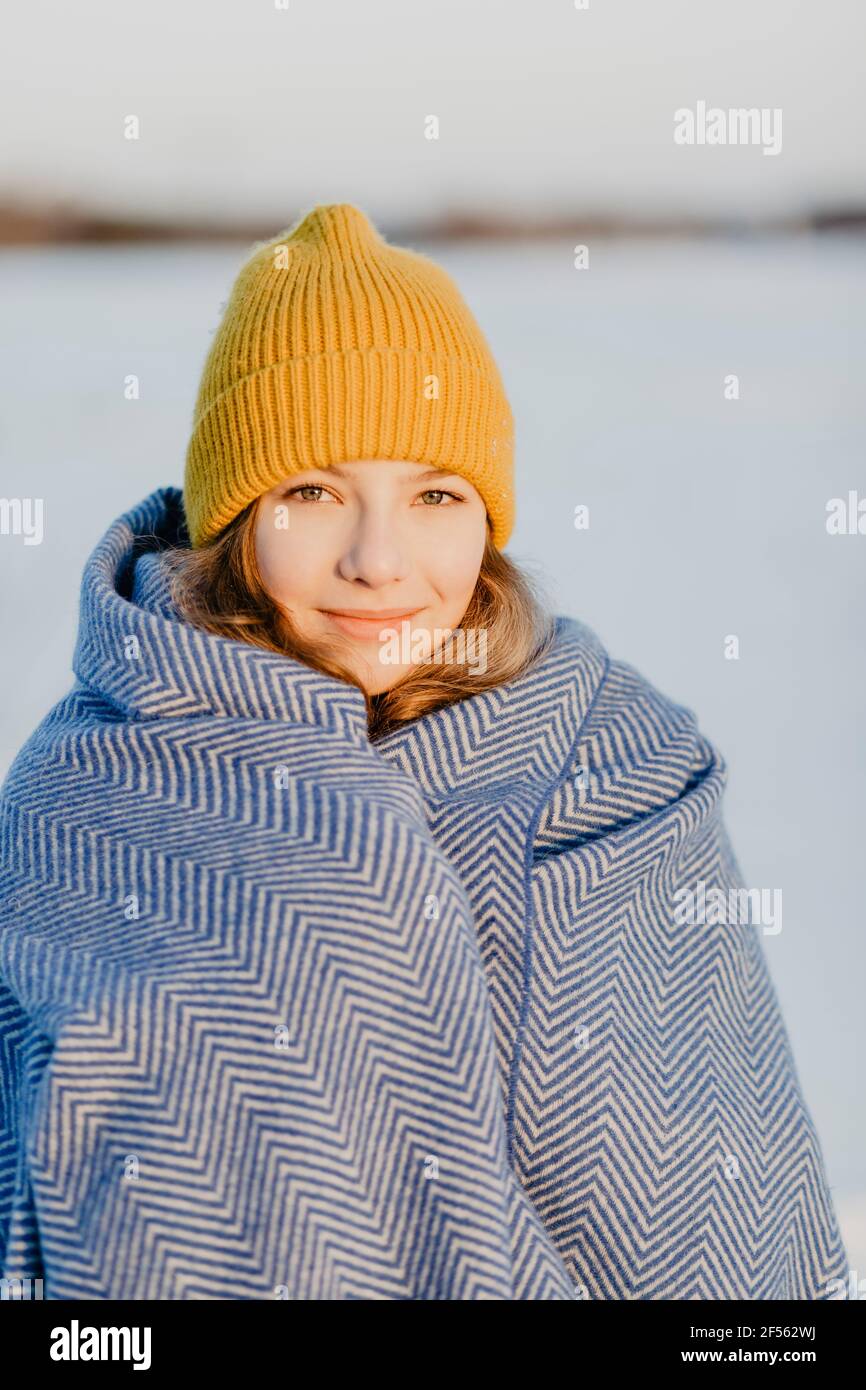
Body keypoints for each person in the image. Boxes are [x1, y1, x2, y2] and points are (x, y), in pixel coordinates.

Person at [0, 203, 848, 1300]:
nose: (378, 559)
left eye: (434, 495)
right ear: (235, 521)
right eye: (312, 492)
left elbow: (722, 1225)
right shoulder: (88, 797)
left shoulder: (615, 778)